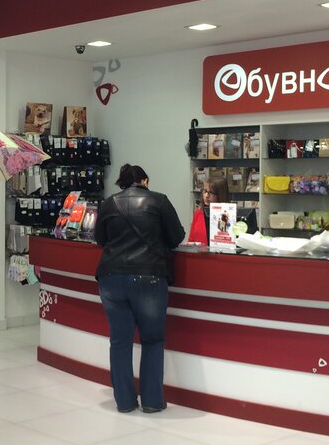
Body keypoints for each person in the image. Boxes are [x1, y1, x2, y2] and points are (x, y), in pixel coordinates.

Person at [94, 163, 185, 414]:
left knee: (120, 342)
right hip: (149, 278)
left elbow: (100, 239)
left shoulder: (109, 203)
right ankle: (152, 401)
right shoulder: (159, 201)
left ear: (122, 183)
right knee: (152, 340)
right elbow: (177, 237)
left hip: (111, 278)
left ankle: (124, 401)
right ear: (145, 181)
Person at [187, 177, 258, 243]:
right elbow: (191, 241)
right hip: (200, 252)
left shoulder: (232, 215)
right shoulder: (198, 213)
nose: (206, 196)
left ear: (220, 194)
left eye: (211, 193)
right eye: (205, 191)